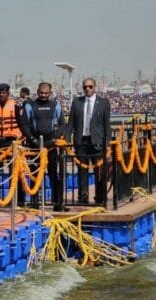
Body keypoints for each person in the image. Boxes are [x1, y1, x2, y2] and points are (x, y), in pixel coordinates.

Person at [20, 82, 67, 212]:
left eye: (46, 93)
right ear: (37, 91)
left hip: (50, 147)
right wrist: (33, 140)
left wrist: (54, 139)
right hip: (34, 146)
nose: (43, 95)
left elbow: (63, 124)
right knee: (34, 175)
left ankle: (57, 203)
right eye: (41, 93)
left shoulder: (55, 105)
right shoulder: (30, 105)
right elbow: (24, 125)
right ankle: (35, 203)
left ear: (50, 93)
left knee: (53, 174)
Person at [67, 77, 111, 207]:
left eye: (90, 86)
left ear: (95, 87)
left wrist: (107, 145)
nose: (87, 89)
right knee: (82, 172)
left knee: (99, 172)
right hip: (81, 142)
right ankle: (83, 198)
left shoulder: (103, 103)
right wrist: (66, 139)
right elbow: (71, 123)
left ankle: (100, 198)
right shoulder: (77, 102)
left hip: (97, 142)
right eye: (85, 87)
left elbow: (106, 125)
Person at [0, 83, 24, 207]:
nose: (2, 95)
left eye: (4, 93)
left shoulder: (16, 108)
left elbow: (21, 124)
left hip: (11, 141)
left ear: (8, 93)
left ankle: (15, 199)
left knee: (14, 170)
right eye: (0, 93)